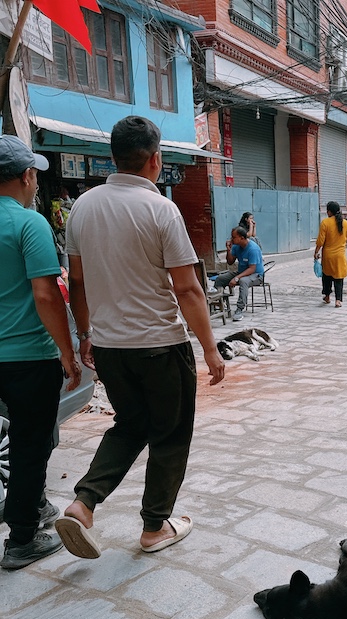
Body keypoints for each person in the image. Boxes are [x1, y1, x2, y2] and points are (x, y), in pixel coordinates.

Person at [56, 116, 225, 560]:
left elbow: (78, 282)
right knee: (170, 434)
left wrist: (86, 334)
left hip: (110, 347)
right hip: (160, 346)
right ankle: (154, 527)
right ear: (155, 159)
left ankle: (83, 504)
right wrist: (210, 348)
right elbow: (187, 288)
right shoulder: (161, 210)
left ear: (113, 157)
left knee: (129, 425)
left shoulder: (83, 208)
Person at [0, 135, 82, 570]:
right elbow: (47, 296)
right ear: (26, 176)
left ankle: (31, 507)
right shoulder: (28, 224)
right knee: (30, 446)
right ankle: (22, 540)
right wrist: (67, 354)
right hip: (27, 357)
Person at [214, 226, 264, 321]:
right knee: (220, 278)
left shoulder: (253, 249)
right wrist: (228, 250)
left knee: (243, 281)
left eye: (234, 237)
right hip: (242, 272)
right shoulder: (237, 246)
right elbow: (230, 262)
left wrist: (236, 278)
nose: (231, 239)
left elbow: (252, 269)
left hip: (256, 275)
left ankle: (240, 309)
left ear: (242, 238)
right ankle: (219, 303)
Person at [314, 201, 347, 307]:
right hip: (340, 255)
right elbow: (346, 237)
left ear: (329, 211)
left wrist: (316, 252)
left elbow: (320, 241)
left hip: (328, 255)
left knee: (327, 277)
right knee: (339, 278)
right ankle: (338, 300)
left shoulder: (325, 223)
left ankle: (327, 296)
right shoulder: (345, 223)